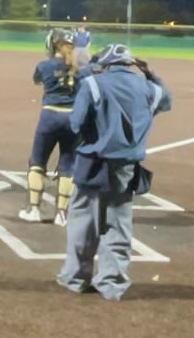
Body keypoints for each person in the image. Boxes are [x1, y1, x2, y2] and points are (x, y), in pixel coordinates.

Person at [58, 44, 172, 300]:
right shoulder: (149, 88)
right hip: (125, 167)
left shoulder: (93, 84)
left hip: (92, 164)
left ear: (106, 63)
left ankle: (76, 278)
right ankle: (112, 284)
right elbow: (166, 100)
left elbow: (76, 123)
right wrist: (151, 74)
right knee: (118, 224)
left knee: (83, 223)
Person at [20, 29, 84, 224]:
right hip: (73, 118)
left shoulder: (44, 66)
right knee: (68, 166)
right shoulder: (81, 68)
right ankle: (61, 214)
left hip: (50, 116)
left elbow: (37, 79)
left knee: (37, 162)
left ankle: (34, 209)